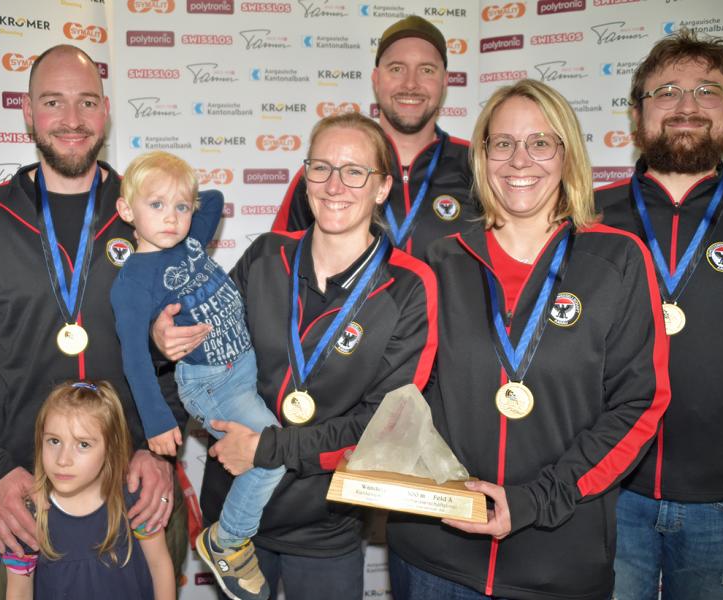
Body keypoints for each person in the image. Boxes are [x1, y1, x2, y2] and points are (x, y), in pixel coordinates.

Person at [386, 79, 671, 600]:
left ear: (567, 154)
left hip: (556, 557)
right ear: (482, 155)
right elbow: (399, 390)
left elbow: (639, 405)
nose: (520, 160)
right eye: (503, 143)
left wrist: (536, 500)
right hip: (434, 554)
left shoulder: (618, 260)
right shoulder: (440, 261)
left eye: (541, 142)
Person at [0, 44, 192, 597]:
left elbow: (182, 345)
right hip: (26, 504)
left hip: (137, 491)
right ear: (28, 112)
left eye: (86, 102)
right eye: (53, 102)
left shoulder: (149, 213)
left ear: (105, 111)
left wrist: (157, 447)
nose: (72, 120)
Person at [188, 112, 438, 600]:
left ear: (382, 187)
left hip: (322, 524)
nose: (334, 184)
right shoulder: (266, 255)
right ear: (305, 179)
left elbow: (382, 424)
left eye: (354, 171)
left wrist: (267, 449)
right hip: (236, 520)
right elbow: (207, 354)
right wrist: (167, 332)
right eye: (320, 168)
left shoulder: (407, 286)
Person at [595, 29, 723, 600]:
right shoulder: (588, 217)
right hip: (609, 486)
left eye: (707, 91)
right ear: (637, 114)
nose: (687, 106)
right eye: (666, 91)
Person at [111, 151, 284, 600]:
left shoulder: (188, 241)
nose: (171, 217)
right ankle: (227, 540)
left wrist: (177, 195)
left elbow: (216, 197)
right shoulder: (133, 281)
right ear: (126, 211)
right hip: (212, 382)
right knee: (271, 452)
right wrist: (157, 422)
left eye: (180, 207)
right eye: (156, 205)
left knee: (279, 446)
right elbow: (134, 358)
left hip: (246, 367)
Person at [272, 15, 479, 259]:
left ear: (445, 81)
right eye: (396, 69)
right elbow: (279, 265)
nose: (410, 84)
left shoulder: (477, 165)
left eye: (426, 70)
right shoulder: (327, 170)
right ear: (376, 79)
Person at [3, 381, 174, 600]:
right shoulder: (28, 515)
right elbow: (19, 591)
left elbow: (160, 567)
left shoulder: (134, 499)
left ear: (111, 449)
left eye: (83, 444)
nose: (63, 459)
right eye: (54, 441)